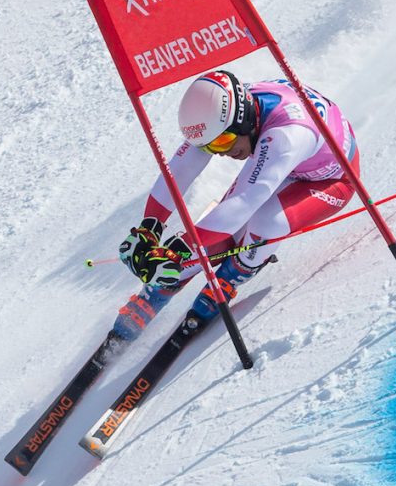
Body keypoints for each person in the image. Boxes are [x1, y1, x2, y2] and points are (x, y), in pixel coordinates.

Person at [112, 71, 361, 340]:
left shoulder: (286, 135)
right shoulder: (220, 116)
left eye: (224, 143)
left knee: (265, 221)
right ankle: (165, 283)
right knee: (220, 223)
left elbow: (243, 205)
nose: (221, 153)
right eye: (211, 148)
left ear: (244, 122)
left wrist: (176, 249)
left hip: (331, 180)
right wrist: (150, 227)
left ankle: (230, 277)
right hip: (287, 162)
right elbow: (179, 170)